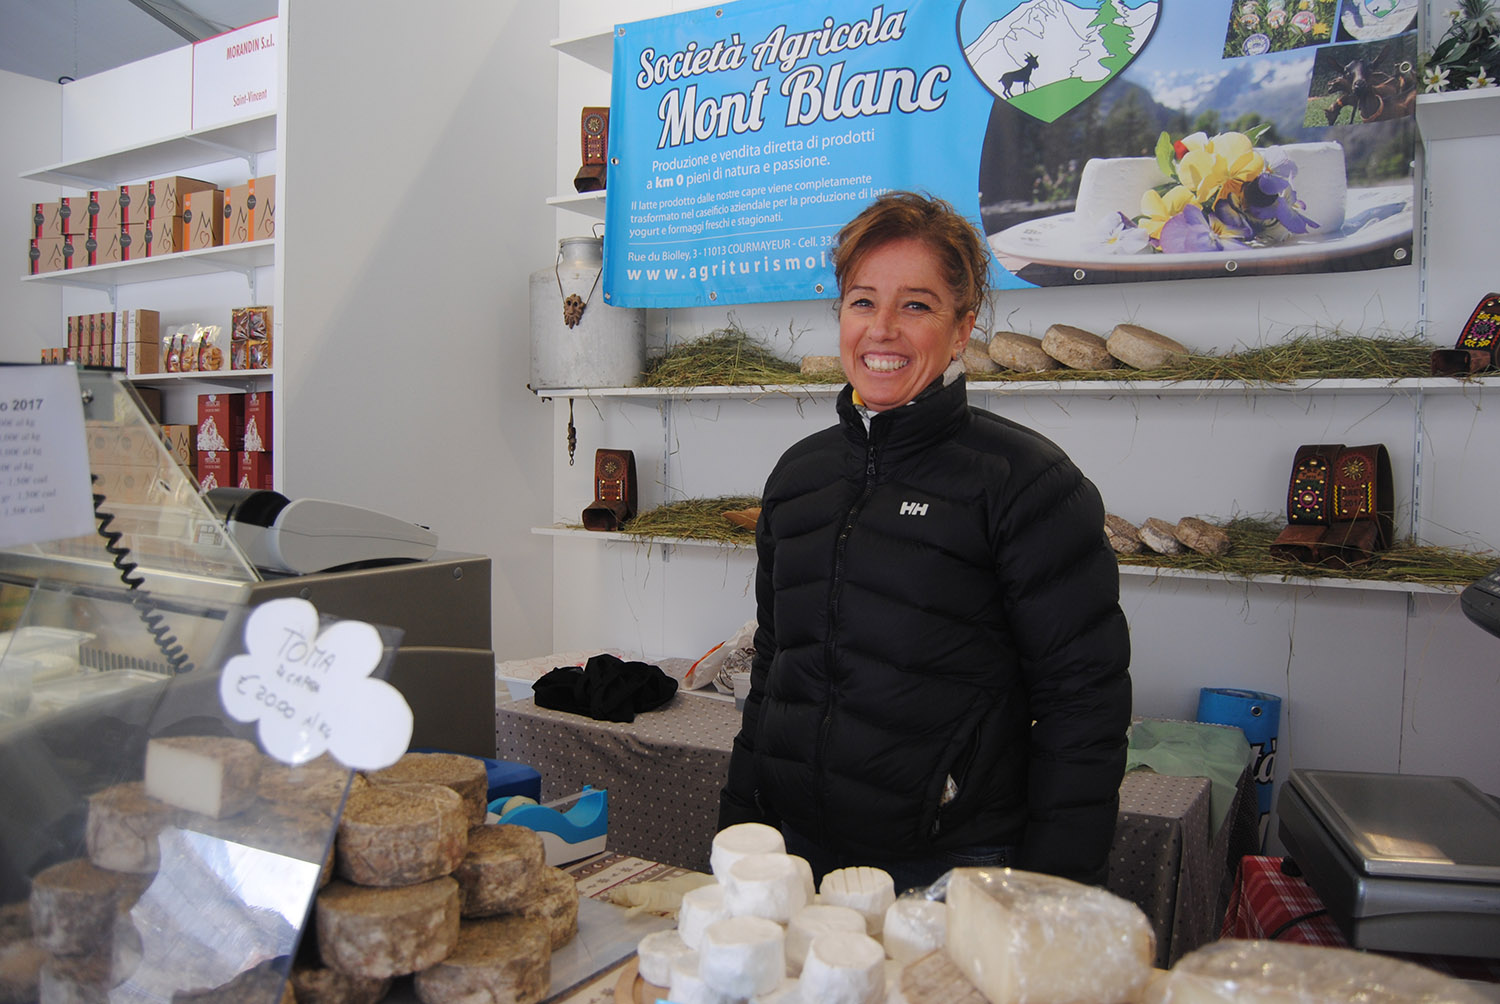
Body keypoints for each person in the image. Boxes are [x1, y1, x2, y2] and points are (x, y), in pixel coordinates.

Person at [717, 190, 1132, 891]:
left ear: (962, 328)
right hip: (794, 853)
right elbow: (775, 669)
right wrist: (739, 818)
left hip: (946, 864)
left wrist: (1051, 891)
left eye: (915, 305)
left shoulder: (1027, 483)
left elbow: (1084, 704)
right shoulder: (799, 476)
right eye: (862, 301)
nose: (882, 330)